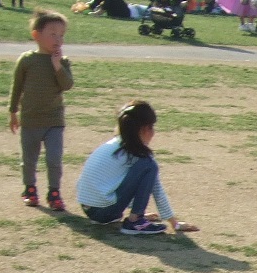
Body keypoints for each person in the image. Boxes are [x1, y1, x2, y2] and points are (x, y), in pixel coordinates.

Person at [74, 100, 196, 235]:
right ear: (142, 129)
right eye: (151, 127)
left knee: (142, 169)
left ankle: (136, 216)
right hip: (103, 211)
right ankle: (135, 221)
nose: (153, 132)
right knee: (150, 166)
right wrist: (175, 223)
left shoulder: (114, 145)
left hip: (89, 208)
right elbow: (156, 188)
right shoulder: (137, 154)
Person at [9, 10, 74, 210]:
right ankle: (29, 189)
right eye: (52, 34)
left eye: (61, 35)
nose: (58, 39)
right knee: (29, 159)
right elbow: (17, 86)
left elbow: (67, 85)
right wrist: (13, 111)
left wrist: (57, 66)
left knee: (54, 159)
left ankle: (54, 193)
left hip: (54, 120)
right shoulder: (27, 60)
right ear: (37, 35)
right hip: (31, 119)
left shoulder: (63, 62)